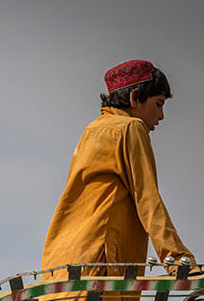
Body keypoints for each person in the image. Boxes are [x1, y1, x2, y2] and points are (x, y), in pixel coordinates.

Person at [42, 60, 194, 281]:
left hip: (62, 262)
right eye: (158, 104)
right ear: (134, 98)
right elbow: (148, 200)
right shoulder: (131, 128)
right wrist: (179, 261)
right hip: (100, 259)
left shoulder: (92, 129)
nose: (161, 116)